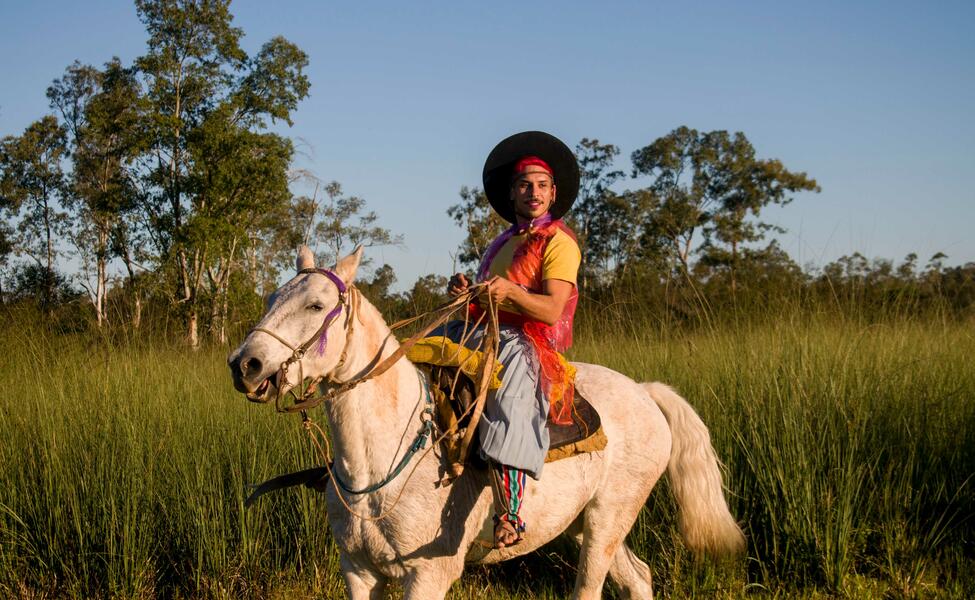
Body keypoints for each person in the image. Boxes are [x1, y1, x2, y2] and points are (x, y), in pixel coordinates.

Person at [440, 131, 581, 548]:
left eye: (541, 185)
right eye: (524, 185)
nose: (532, 192)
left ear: (553, 192)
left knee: (511, 396)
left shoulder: (559, 243)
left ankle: (511, 511)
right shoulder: (504, 241)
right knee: (419, 357)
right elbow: (490, 294)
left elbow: (552, 309)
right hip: (484, 328)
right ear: (512, 192)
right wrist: (468, 291)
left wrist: (511, 293)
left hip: (523, 338)